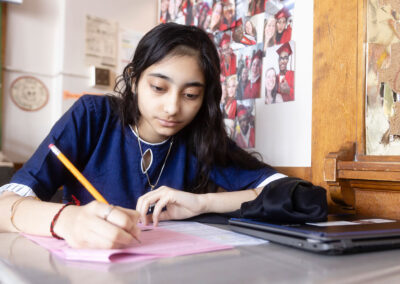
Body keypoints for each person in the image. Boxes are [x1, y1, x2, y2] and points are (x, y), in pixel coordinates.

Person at [0, 23, 283, 249]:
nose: (173, 108)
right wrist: (67, 220)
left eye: (190, 95)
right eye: (159, 88)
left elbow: (300, 197)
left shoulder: (199, 137)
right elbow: (5, 206)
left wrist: (202, 203)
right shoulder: (93, 116)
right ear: (134, 80)